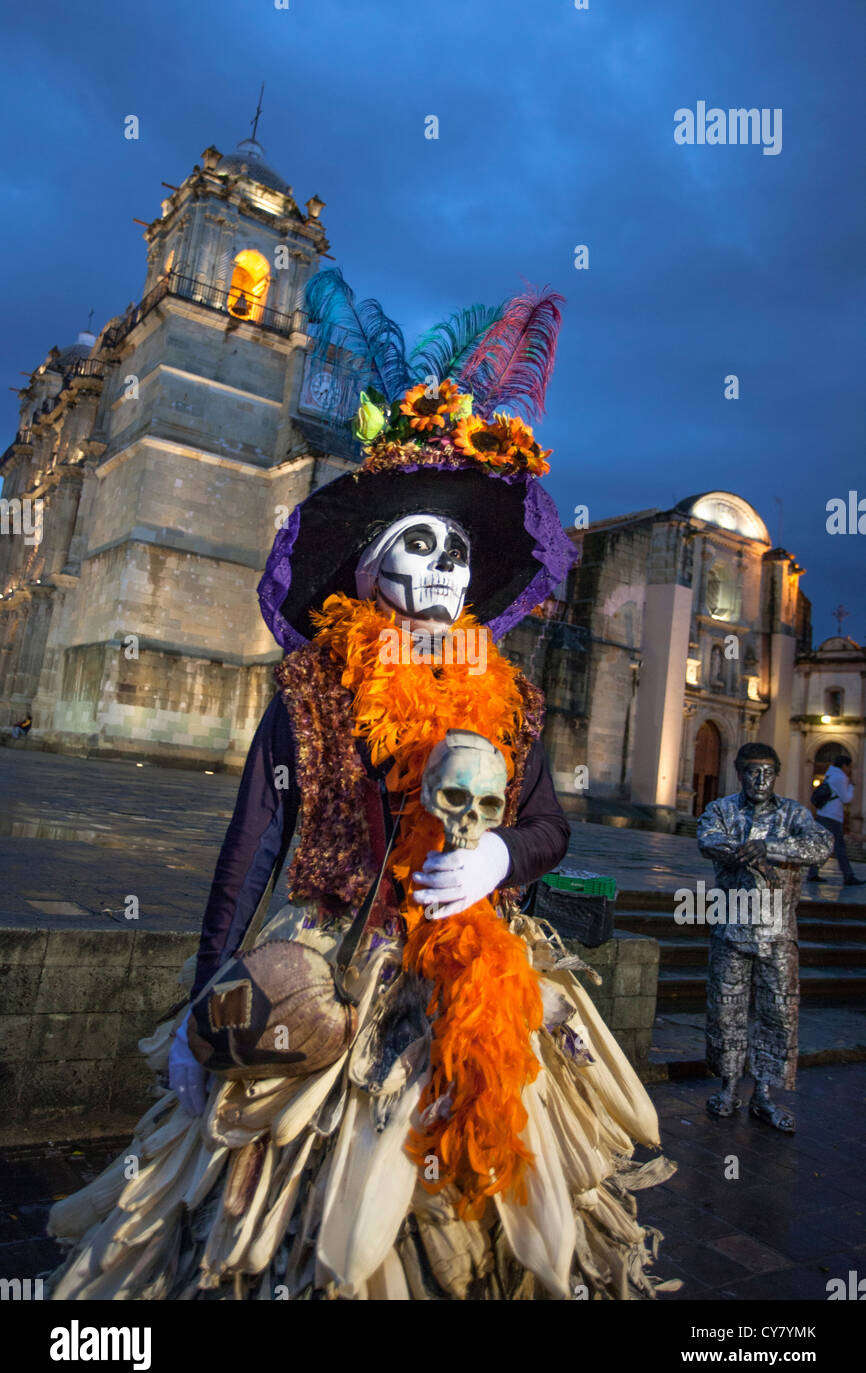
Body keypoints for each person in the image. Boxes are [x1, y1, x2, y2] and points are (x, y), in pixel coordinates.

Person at [46, 283, 677, 1301]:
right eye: (416, 546)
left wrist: (498, 857)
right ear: (372, 567)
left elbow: (550, 827)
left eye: (457, 552)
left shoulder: (510, 698)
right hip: (328, 959)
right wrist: (207, 1006)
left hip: (479, 967)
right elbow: (252, 847)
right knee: (294, 1212)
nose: (441, 570)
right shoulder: (310, 683)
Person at [697, 743, 833, 1134]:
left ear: (777, 774)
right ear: (739, 773)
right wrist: (753, 855)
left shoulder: (794, 815)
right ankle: (727, 1088)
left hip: (778, 935)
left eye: (768, 772)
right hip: (731, 930)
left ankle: (765, 1094)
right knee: (726, 1013)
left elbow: (819, 845)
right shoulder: (722, 810)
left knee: (779, 1014)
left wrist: (769, 848)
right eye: (753, 772)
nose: (760, 780)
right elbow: (708, 840)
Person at [806, 754, 864, 886]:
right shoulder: (841, 777)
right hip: (832, 816)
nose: (850, 770)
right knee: (840, 847)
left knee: (822, 845)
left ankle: (812, 873)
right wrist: (851, 787)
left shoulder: (830, 775)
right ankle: (848, 876)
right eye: (849, 766)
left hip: (822, 814)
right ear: (844, 766)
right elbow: (846, 799)